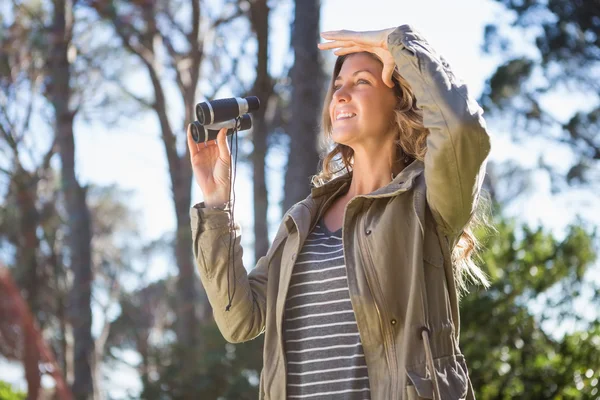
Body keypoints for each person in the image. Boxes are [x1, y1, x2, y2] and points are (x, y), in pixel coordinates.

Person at [188, 24, 491, 400]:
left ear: (400, 101)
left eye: (362, 82)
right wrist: (217, 204)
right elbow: (239, 320)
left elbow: (461, 127)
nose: (341, 94)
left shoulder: (427, 201)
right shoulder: (303, 220)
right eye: (338, 85)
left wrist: (400, 44)